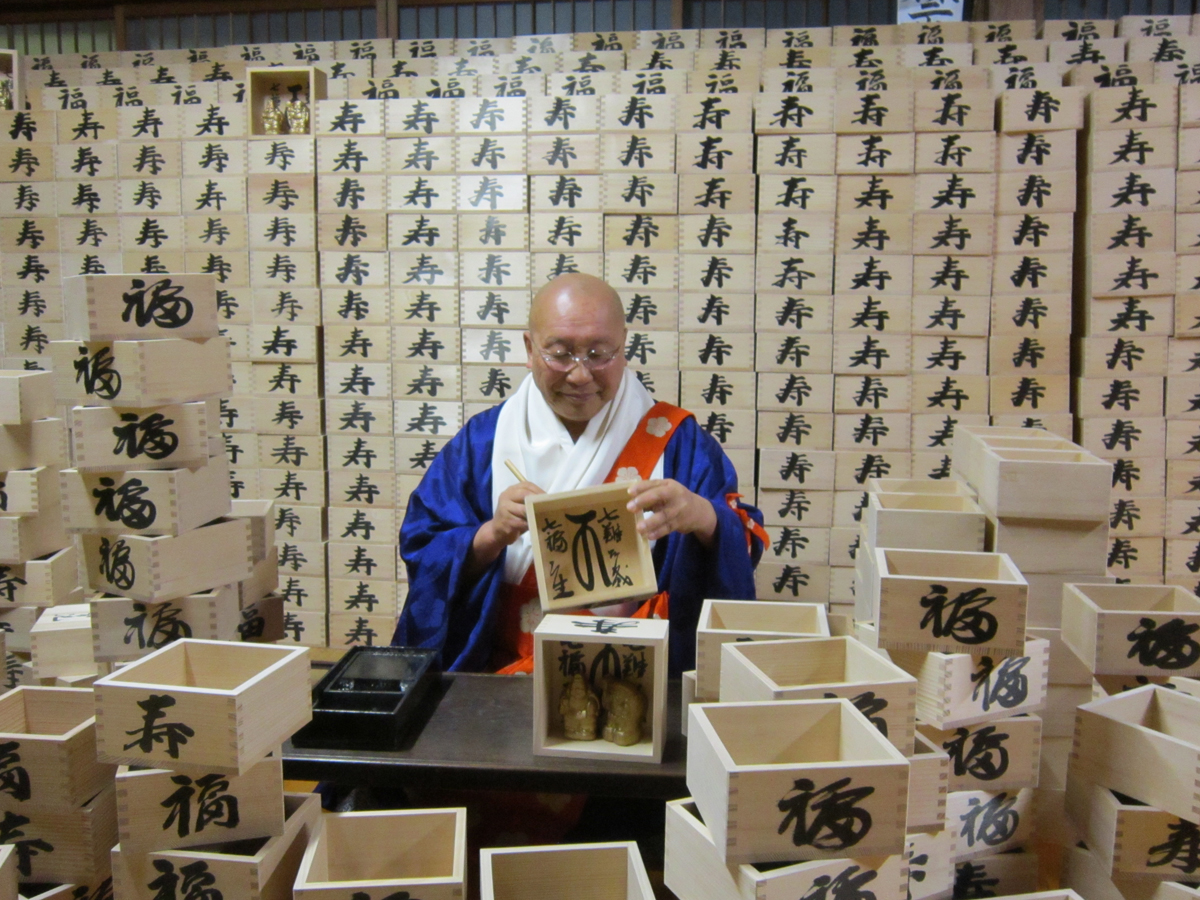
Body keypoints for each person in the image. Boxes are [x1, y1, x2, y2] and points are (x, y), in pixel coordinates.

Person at [393, 272, 766, 675]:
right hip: (501, 673)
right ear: (529, 348)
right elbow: (422, 546)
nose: (580, 374)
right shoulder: (483, 443)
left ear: (624, 347)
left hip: (636, 671)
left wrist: (702, 518)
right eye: (560, 353)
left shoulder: (677, 442)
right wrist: (490, 535)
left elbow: (744, 543)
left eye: (599, 353)